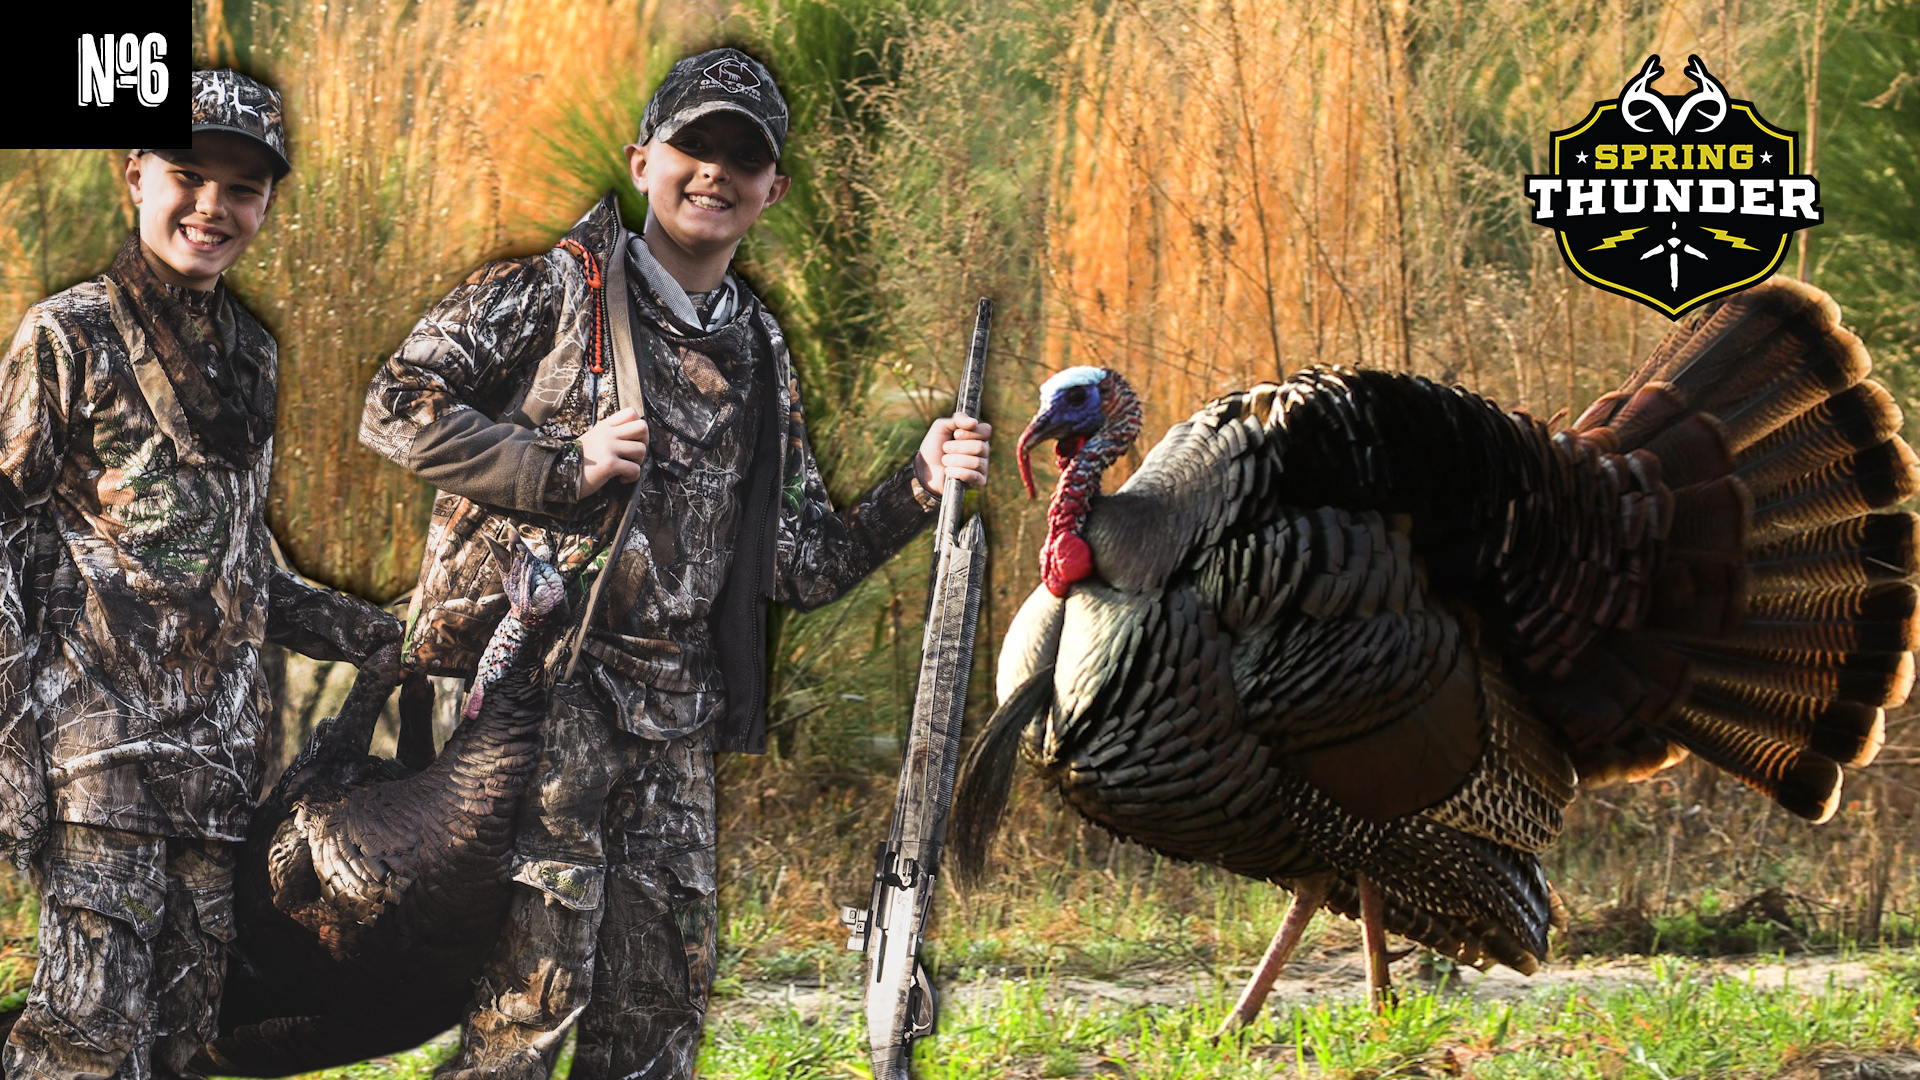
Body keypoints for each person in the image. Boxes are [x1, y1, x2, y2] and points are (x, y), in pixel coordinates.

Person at [360, 47, 992, 1079]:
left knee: (659, 1027)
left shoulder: (758, 347)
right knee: (530, 1013)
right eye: (696, 145)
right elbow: (393, 406)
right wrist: (560, 466)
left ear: (772, 190)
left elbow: (804, 562)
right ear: (643, 158)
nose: (717, 171)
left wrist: (915, 488)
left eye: (745, 157)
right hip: (540, 699)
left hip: (675, 725)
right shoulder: (549, 291)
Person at [0, 70, 404, 1078]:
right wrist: (10, 747)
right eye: (188, 174)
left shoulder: (254, 358)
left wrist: (378, 631)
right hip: (96, 766)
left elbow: (235, 565)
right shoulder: (67, 336)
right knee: (83, 1046)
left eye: (244, 187)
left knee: (189, 1053)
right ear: (135, 173)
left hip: (219, 779)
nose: (212, 207)